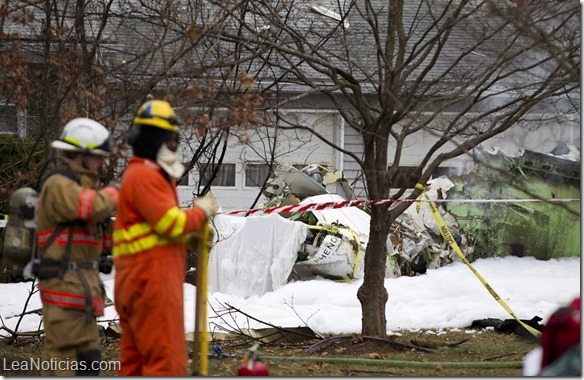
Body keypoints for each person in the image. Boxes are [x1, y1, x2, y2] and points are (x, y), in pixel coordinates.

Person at [113, 99, 217, 376]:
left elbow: (153, 232)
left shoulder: (141, 174)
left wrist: (188, 237)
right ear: (158, 139)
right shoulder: (146, 176)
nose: (174, 146)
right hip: (152, 284)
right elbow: (170, 223)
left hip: (138, 281)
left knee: (135, 366)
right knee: (165, 363)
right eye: (171, 139)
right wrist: (200, 213)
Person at [36, 117, 119, 376]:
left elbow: (104, 241)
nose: (102, 164)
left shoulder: (82, 188)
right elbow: (91, 207)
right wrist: (118, 190)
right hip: (64, 290)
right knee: (63, 365)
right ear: (80, 155)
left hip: (82, 291)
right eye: (98, 157)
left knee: (89, 364)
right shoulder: (58, 185)